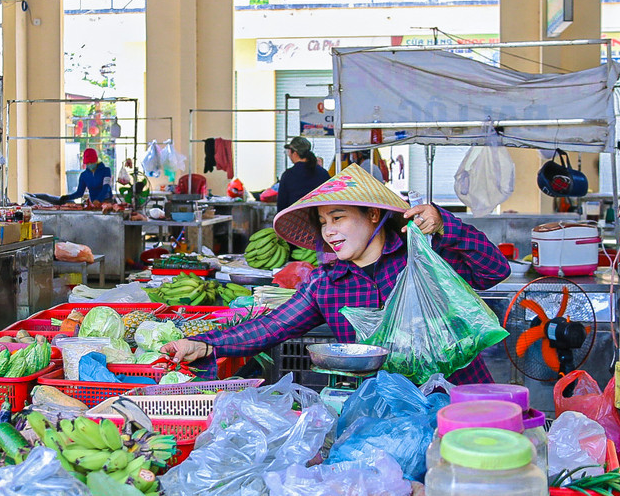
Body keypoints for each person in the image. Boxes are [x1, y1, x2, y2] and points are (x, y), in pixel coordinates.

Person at [161, 164, 511, 383]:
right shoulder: (326, 284)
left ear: (373, 215)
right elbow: (271, 327)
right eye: (324, 222)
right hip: (385, 412)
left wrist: (446, 224)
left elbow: (494, 270)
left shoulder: (423, 259)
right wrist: (205, 344)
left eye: (339, 217)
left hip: (460, 400)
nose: (329, 231)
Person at [276, 137, 329, 211]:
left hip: (295, 219)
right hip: (319, 219)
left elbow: (282, 204)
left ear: (294, 153)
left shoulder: (288, 175)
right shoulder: (323, 173)